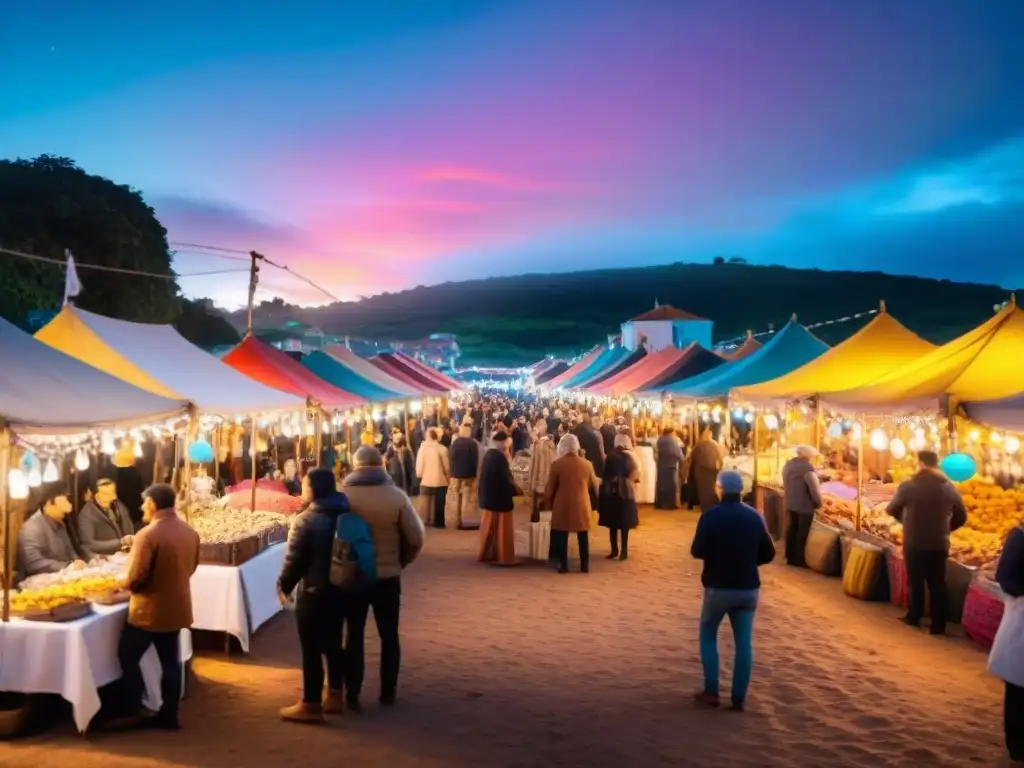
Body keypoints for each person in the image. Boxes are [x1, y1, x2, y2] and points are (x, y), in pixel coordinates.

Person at [341, 447, 425, 710]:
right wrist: (401, 561)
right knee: (389, 635)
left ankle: (352, 692)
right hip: (387, 576)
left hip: (352, 577)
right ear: (381, 466)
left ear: (355, 466)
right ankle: (388, 691)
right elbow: (416, 538)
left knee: (353, 635)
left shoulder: (343, 496)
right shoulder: (396, 497)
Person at [690, 470, 776, 712]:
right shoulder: (755, 517)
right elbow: (768, 553)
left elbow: (697, 550)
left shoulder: (710, 516)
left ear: (719, 489)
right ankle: (738, 698)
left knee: (708, 635)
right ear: (742, 491)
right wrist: (748, 561)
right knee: (744, 643)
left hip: (718, 587)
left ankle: (712, 691)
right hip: (747, 587)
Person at [117, 483, 199, 730]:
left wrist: (119, 582)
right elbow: (192, 568)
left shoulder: (148, 535)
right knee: (170, 661)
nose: (142, 507)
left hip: (148, 611)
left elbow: (134, 577)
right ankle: (169, 714)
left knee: (128, 655)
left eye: (144, 503)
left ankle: (134, 706)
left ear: (152, 504)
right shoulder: (188, 531)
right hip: (176, 606)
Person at [276, 469, 351, 723]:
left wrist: (283, 586)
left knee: (311, 648)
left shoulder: (307, 519)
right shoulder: (347, 511)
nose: (303, 489)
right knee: (333, 643)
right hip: (342, 586)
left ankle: (311, 704)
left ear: (314, 488)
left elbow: (294, 560)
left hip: (314, 590)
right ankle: (335, 695)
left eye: (306, 485)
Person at [886, 450, 967, 635]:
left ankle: (915, 616)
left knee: (916, 580)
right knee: (938, 583)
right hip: (939, 542)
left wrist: (905, 520)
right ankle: (939, 625)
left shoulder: (910, 485)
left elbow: (892, 509)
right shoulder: (948, 487)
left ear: (920, 463)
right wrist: (947, 528)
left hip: (914, 540)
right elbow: (961, 514)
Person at [989, 523, 1024, 765]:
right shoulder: (1020, 536)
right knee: (1019, 692)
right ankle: (1018, 750)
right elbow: (1005, 577)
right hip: (1022, 622)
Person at [544, 434, 597, 574]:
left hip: (563, 504)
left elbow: (549, 488)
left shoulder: (557, 464)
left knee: (562, 535)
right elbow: (592, 484)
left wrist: (546, 502)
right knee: (583, 536)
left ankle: (563, 565)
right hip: (582, 503)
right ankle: (585, 565)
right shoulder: (587, 464)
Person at [16, 483, 84, 578]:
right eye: (64, 497)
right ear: (49, 503)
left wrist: (77, 562)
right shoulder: (31, 528)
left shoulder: (60, 523)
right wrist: (68, 566)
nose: (69, 502)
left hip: (63, 578)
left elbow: (71, 553)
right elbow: (33, 563)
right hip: (36, 584)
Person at [477, 431, 520, 565]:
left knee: (489, 529)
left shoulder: (488, 455)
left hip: (489, 499)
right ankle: (504, 556)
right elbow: (505, 481)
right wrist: (516, 491)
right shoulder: (500, 459)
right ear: (503, 445)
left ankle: (488, 553)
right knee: (503, 531)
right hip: (500, 500)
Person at [598, 433, 640, 560]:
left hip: (611, 491)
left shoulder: (610, 457)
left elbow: (604, 474)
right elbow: (634, 473)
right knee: (624, 524)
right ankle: (624, 551)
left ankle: (614, 550)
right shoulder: (629, 457)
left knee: (612, 523)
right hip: (626, 491)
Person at [781, 446, 823, 567]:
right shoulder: (807, 469)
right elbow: (814, 489)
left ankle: (790, 557)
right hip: (805, 506)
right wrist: (818, 504)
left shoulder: (787, 465)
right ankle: (799, 560)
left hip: (790, 503)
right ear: (807, 456)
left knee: (791, 530)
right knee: (802, 534)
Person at [77, 478, 136, 559]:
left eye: (113, 493)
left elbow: (128, 526)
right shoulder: (86, 515)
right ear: (96, 496)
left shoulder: (119, 506)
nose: (113, 497)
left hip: (125, 555)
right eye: (107, 494)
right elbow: (89, 544)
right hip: (105, 558)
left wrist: (130, 543)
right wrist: (120, 543)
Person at [446, 416, 480, 529]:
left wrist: (451, 473)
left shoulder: (455, 443)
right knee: (468, 497)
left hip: (456, 474)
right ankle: (466, 520)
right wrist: (475, 474)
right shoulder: (473, 444)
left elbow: (451, 458)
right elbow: (475, 460)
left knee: (456, 497)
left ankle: (457, 520)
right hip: (469, 474)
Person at [415, 428, 450, 528]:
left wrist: (419, 474)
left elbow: (419, 465)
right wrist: (447, 474)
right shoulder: (442, 448)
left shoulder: (422, 449)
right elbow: (446, 466)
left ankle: (426, 520)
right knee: (439, 503)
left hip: (426, 480)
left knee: (426, 503)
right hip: (439, 480)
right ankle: (439, 522)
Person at [528, 418, 556, 523]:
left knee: (541, 506)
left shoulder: (545, 443)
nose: (537, 428)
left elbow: (550, 461)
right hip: (538, 479)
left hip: (542, 479)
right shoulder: (538, 442)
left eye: (540, 426)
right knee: (537, 505)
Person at [689, 428, 723, 511]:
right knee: (711, 489)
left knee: (703, 491)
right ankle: (712, 506)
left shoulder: (698, 446)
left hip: (702, 471)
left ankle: (706, 508)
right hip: (712, 470)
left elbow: (693, 457)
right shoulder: (715, 445)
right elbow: (720, 457)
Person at [655, 427, 684, 509]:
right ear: (671, 432)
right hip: (671, 465)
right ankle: (670, 504)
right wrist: (682, 458)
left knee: (661, 484)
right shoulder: (673, 440)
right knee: (671, 485)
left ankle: (660, 503)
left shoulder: (660, 440)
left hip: (661, 465)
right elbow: (677, 452)